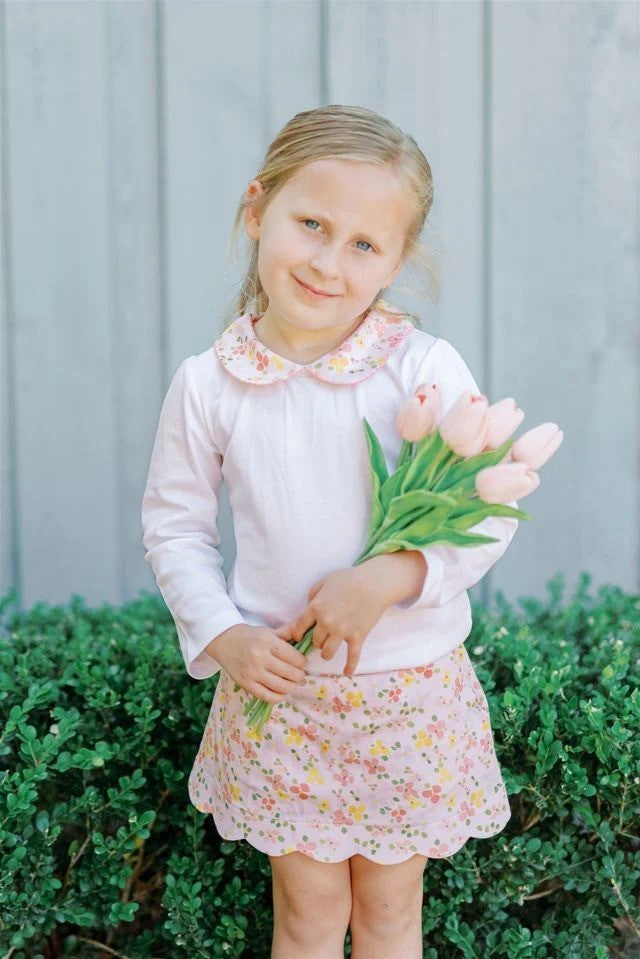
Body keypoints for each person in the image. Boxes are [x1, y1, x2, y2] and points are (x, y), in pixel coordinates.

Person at [141, 104, 519, 959]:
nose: (327, 261)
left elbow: (486, 507)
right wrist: (223, 633)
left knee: (389, 914)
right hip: (284, 693)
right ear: (256, 210)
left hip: (409, 693)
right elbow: (174, 526)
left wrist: (389, 576)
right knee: (308, 917)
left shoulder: (419, 367)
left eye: (363, 244)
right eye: (311, 223)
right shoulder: (210, 384)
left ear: (395, 261)